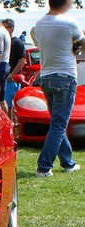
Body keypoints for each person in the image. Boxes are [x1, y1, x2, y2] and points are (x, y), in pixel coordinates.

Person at [30, 0, 85, 177]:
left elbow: (39, 42)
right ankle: (43, 167)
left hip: (46, 76)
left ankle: (68, 163)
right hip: (65, 76)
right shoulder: (70, 22)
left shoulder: (38, 24)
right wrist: (76, 50)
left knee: (57, 122)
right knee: (59, 124)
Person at [3, 19, 26, 111]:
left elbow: (22, 60)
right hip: (3, 77)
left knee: (10, 105)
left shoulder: (17, 42)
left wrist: (12, 75)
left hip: (12, 79)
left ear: (11, 28)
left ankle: (12, 122)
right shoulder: (2, 42)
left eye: (5, 28)